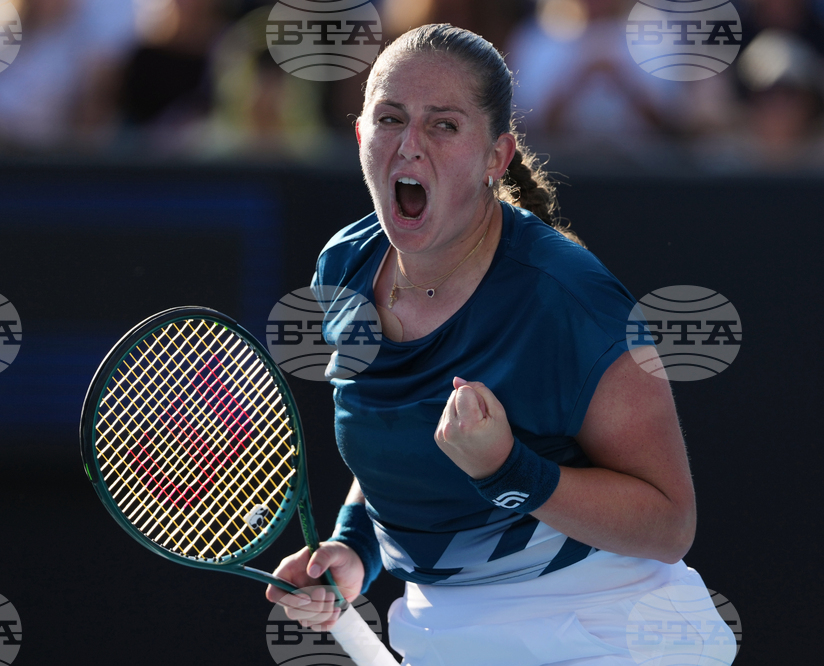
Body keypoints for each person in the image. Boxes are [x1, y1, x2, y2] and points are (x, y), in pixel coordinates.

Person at [265, 24, 736, 666]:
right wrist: (354, 549)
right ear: (359, 136)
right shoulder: (343, 269)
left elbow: (669, 525)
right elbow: (394, 448)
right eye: (390, 118)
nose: (409, 146)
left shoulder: (570, 298)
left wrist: (510, 470)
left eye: (444, 125)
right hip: (443, 633)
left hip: (610, 634)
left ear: (497, 156)